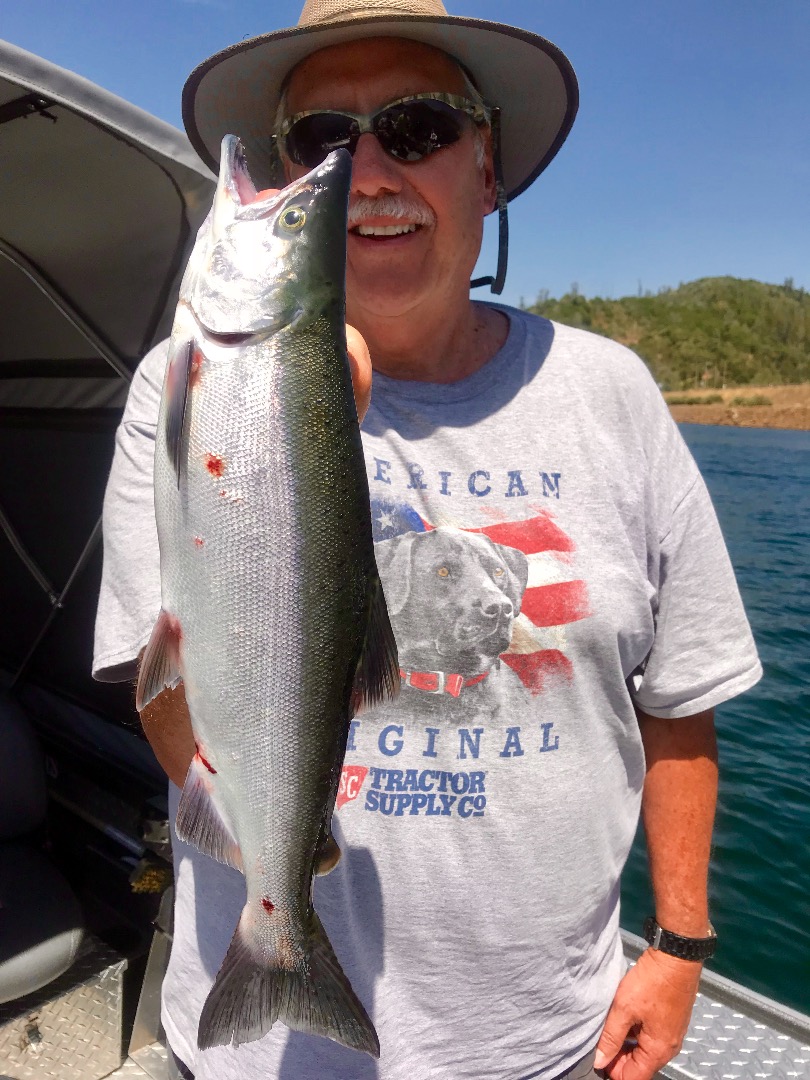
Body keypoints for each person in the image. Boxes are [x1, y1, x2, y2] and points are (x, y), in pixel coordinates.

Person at [93, 2, 762, 1078]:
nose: (366, 174)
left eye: (417, 128)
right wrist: (290, 457)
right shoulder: (179, 396)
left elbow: (681, 696)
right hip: (265, 1057)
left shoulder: (613, 394)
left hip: (552, 1047)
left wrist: (680, 942)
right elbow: (161, 689)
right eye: (320, 140)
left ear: (487, 168)